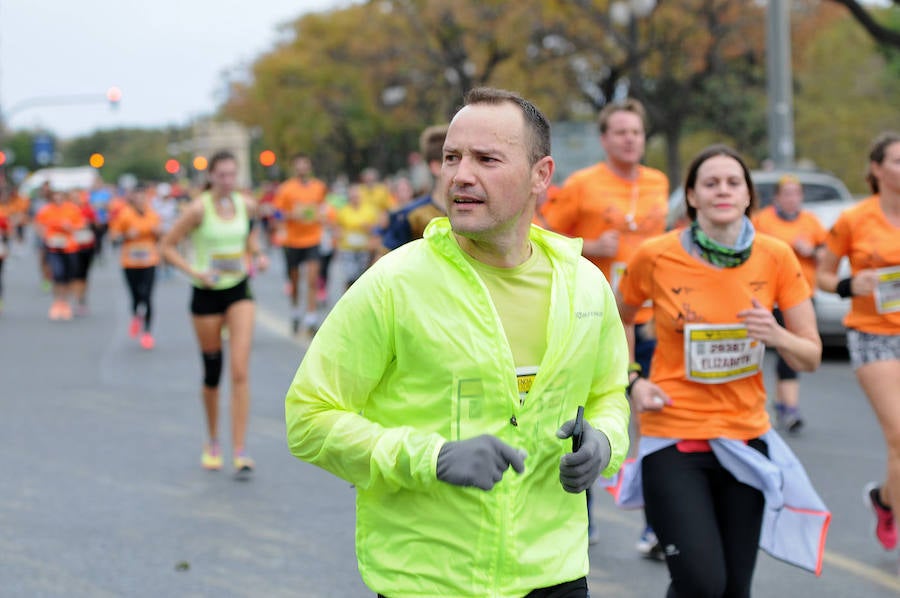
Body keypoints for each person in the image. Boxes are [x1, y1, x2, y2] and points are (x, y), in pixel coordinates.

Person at [285, 87, 631, 598]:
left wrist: (605, 443)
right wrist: (432, 458)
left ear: (542, 175)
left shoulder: (585, 285)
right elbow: (309, 418)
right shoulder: (393, 284)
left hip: (554, 574)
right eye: (452, 158)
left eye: (487, 159)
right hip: (428, 581)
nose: (461, 175)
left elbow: (607, 395)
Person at [616, 144, 828, 596]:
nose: (722, 191)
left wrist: (776, 334)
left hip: (744, 439)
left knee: (734, 590)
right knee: (700, 582)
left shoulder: (776, 256)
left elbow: (808, 355)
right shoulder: (655, 255)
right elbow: (620, 317)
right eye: (710, 183)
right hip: (673, 433)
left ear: (749, 195)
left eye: (733, 183)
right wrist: (633, 380)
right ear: (691, 196)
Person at [540, 97, 669, 551]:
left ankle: (656, 524)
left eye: (636, 131)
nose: (630, 139)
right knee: (589, 414)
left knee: (652, 419)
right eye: (621, 132)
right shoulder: (582, 184)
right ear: (604, 138)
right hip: (595, 314)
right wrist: (592, 241)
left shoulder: (658, 182)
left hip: (649, 318)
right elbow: (544, 236)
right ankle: (584, 517)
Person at [161, 150, 269, 477]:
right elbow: (166, 246)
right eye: (221, 175)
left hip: (238, 290)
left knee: (239, 370)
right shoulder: (197, 208)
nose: (227, 181)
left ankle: (240, 448)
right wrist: (195, 272)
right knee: (213, 373)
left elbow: (249, 235)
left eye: (231, 175)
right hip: (206, 294)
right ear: (210, 176)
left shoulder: (245, 205)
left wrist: (258, 254)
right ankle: (212, 441)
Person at [817, 131, 900, 553]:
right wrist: (852, 283)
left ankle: (885, 501)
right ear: (876, 169)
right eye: (897, 161)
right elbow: (823, 276)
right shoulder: (855, 219)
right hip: (874, 334)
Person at [752, 174, 827, 433]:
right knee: (767, 351)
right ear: (777, 197)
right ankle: (781, 404)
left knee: (792, 351)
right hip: (769, 296)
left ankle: (787, 406)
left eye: (796, 193)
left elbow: (827, 256)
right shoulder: (763, 220)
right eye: (787, 193)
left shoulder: (811, 222)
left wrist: (812, 251)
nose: (792, 198)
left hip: (802, 297)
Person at [273, 153, 328, 335]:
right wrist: (290, 216)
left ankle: (311, 318)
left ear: (310, 167)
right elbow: (277, 213)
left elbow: (324, 208)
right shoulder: (286, 189)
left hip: (313, 238)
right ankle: (296, 312)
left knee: (312, 279)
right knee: (295, 280)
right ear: (294, 168)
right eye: (298, 165)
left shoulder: (319, 187)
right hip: (292, 240)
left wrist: (321, 215)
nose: (302, 168)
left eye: (305, 164)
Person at [378, 124, 449, 253]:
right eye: (453, 158)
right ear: (436, 167)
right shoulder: (409, 216)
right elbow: (382, 264)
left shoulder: (476, 214)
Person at [110, 185, 162, 349]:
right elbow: (113, 237)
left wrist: (158, 232)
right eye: (137, 197)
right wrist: (126, 235)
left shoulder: (153, 215)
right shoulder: (124, 215)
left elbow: (161, 237)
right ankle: (135, 316)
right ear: (132, 198)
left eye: (143, 197)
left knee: (147, 295)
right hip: (130, 262)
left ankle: (147, 332)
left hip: (149, 261)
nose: (140, 200)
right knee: (135, 296)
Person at [34, 188, 85, 320]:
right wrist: (45, 236)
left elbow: (81, 224)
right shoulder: (46, 210)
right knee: (57, 274)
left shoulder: (72, 209)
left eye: (60, 198)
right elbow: (38, 225)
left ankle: (65, 303)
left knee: (68, 276)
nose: (58, 200)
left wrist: (70, 227)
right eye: (55, 198)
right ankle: (57, 302)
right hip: (53, 247)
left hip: (70, 247)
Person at [333, 183, 379, 290]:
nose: (354, 199)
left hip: (364, 248)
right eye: (352, 197)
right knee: (350, 276)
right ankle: (346, 298)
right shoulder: (344, 211)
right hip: (347, 248)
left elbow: (377, 230)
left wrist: (368, 228)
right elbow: (337, 228)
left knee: (361, 277)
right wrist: (338, 236)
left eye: (356, 196)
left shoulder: (369, 210)